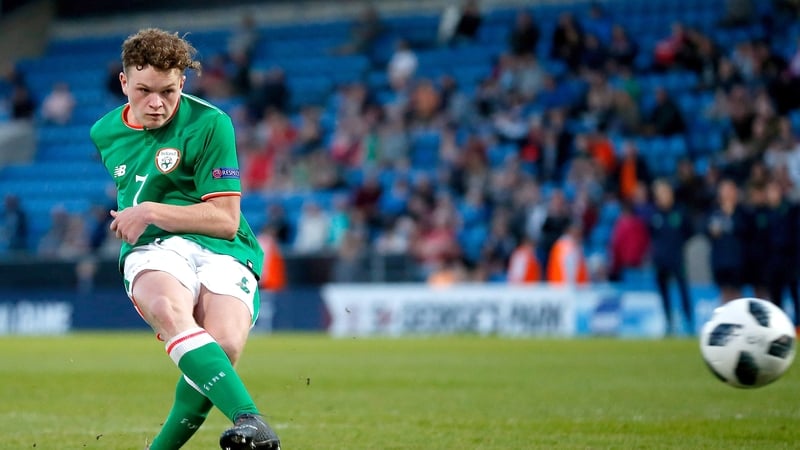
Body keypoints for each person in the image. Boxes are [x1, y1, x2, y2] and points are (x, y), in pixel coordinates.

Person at [89, 29, 280, 450]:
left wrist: (150, 210)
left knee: (223, 346)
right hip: (154, 246)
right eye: (144, 91)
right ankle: (252, 420)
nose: (156, 103)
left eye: (168, 91)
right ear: (124, 83)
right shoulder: (104, 132)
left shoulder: (211, 124)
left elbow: (226, 220)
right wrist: (146, 219)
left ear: (183, 83)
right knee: (167, 307)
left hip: (223, 246)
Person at [648, 179, 695, 335]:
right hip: (660, 260)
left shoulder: (680, 212)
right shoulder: (655, 215)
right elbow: (651, 234)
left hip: (677, 258)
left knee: (683, 290)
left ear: (671, 194)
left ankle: (689, 322)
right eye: (659, 194)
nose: (662, 197)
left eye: (664, 193)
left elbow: (689, 232)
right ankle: (668, 322)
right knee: (663, 292)